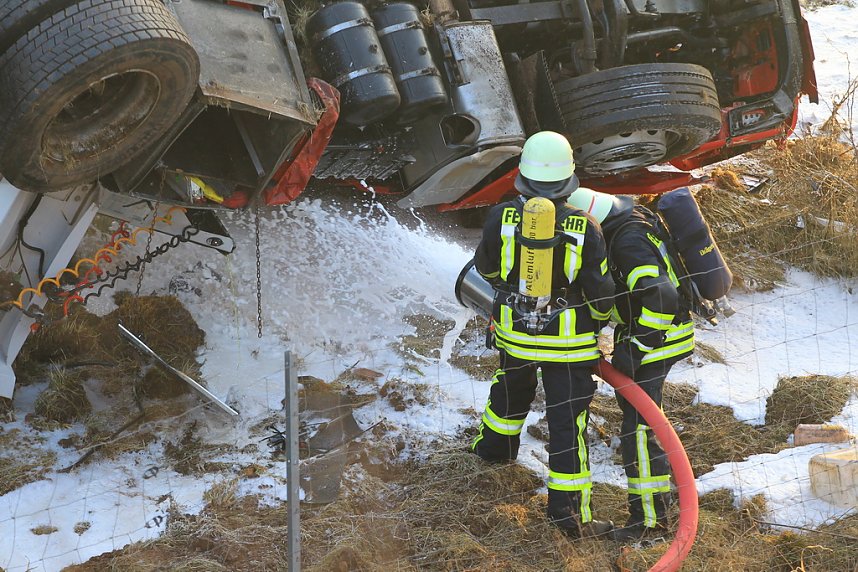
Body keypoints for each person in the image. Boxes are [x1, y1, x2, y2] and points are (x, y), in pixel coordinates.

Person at [470, 131, 615, 538]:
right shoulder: (585, 225)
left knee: (509, 391)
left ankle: (493, 455)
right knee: (567, 419)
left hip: (515, 336)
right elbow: (600, 289)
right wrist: (601, 320)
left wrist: (511, 293)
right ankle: (567, 511)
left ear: (522, 175)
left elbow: (487, 269)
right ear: (570, 175)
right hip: (567, 344)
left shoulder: (501, 215)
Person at [567, 187, 695, 542]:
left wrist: (637, 346)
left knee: (639, 431)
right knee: (643, 425)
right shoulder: (631, 220)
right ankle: (660, 510)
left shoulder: (626, 242)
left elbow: (661, 295)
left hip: (657, 339)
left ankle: (652, 523)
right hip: (652, 333)